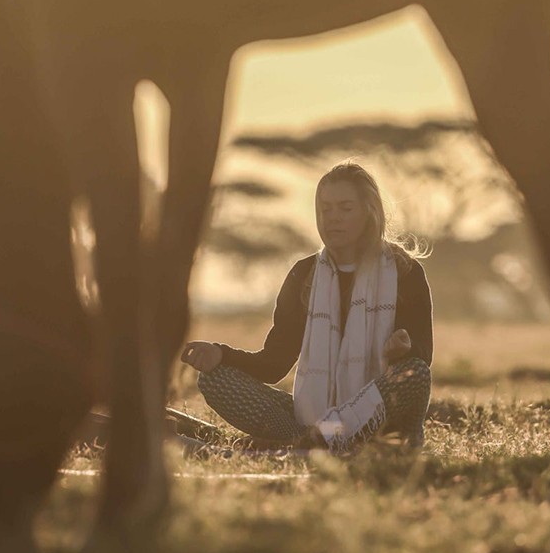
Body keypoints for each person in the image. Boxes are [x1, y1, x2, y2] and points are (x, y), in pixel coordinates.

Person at [180, 163, 433, 451]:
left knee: (415, 373)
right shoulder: (304, 274)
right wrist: (221, 354)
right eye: (325, 209)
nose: (333, 217)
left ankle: (319, 439)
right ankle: (315, 438)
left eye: (345, 208)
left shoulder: (404, 271)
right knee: (215, 380)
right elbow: (274, 363)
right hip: (313, 420)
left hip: (381, 422)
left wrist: (404, 350)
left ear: (369, 212)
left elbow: (422, 355)